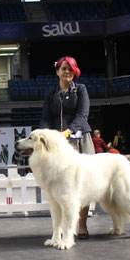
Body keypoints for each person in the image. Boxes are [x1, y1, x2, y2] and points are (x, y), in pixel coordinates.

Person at [39, 55, 94, 240]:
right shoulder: (51, 93)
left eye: (70, 68)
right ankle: (61, 227)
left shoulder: (81, 89)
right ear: (57, 72)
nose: (67, 71)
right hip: (58, 144)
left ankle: (82, 226)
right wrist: (44, 135)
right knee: (60, 186)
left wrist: (68, 132)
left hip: (79, 140)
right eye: (63, 68)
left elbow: (82, 115)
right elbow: (46, 117)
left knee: (82, 184)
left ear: (74, 71)